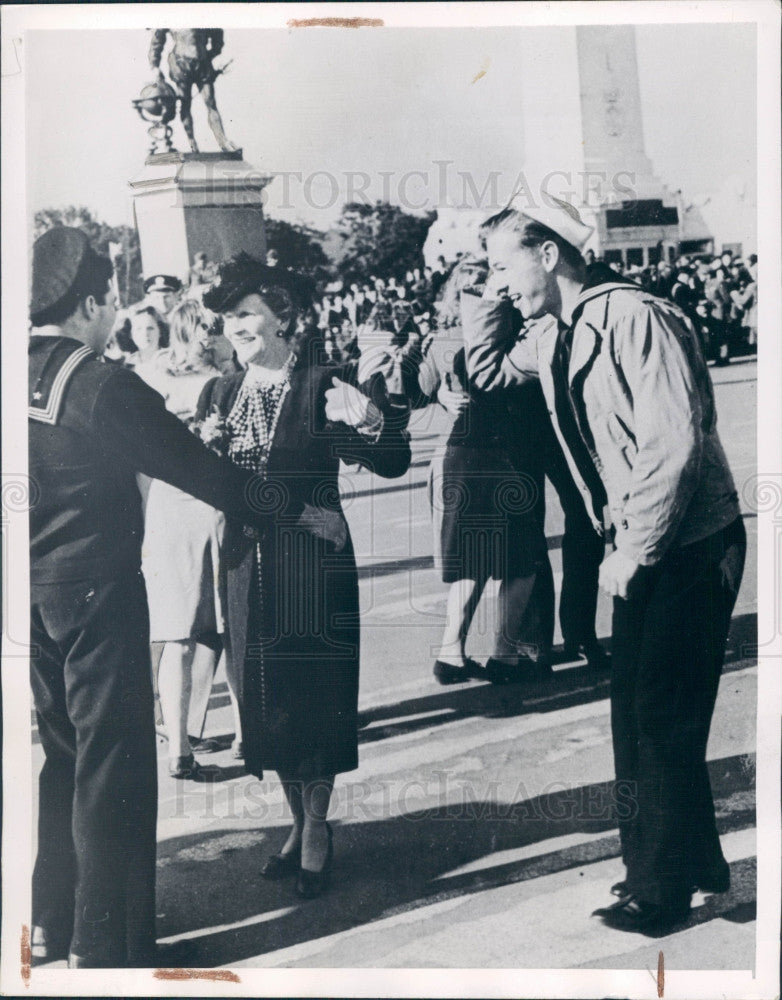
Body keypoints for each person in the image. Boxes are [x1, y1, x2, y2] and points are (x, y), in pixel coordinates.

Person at [461, 196, 745, 933]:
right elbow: (486, 374)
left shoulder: (633, 317)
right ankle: (685, 866)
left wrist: (634, 549)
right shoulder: (556, 330)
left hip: (687, 541)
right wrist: (479, 298)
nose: (499, 281)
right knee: (639, 717)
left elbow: (673, 443)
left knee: (662, 716)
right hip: (642, 543)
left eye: (504, 264)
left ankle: (662, 891)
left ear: (548, 254)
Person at [27, 228, 287, 967]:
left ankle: (50, 921)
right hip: (97, 592)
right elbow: (193, 468)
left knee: (63, 760)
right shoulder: (98, 382)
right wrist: (276, 503)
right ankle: (108, 944)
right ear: (94, 301)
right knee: (115, 767)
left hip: (30, 596)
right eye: (112, 296)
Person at [198, 254, 411, 898]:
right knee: (264, 697)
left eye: (247, 315)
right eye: (228, 318)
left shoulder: (322, 382)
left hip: (310, 567)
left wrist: (371, 420)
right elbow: (219, 483)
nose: (236, 328)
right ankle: (296, 820)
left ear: (282, 317)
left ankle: (316, 826)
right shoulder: (221, 393)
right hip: (243, 566)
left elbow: (394, 459)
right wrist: (205, 447)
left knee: (311, 697)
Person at [135, 300, 241, 777]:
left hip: (165, 509)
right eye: (211, 329)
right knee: (231, 626)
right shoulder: (225, 381)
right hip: (213, 505)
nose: (215, 337)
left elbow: (137, 462)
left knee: (177, 635)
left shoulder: (152, 381)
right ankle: (246, 734)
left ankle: (179, 746)